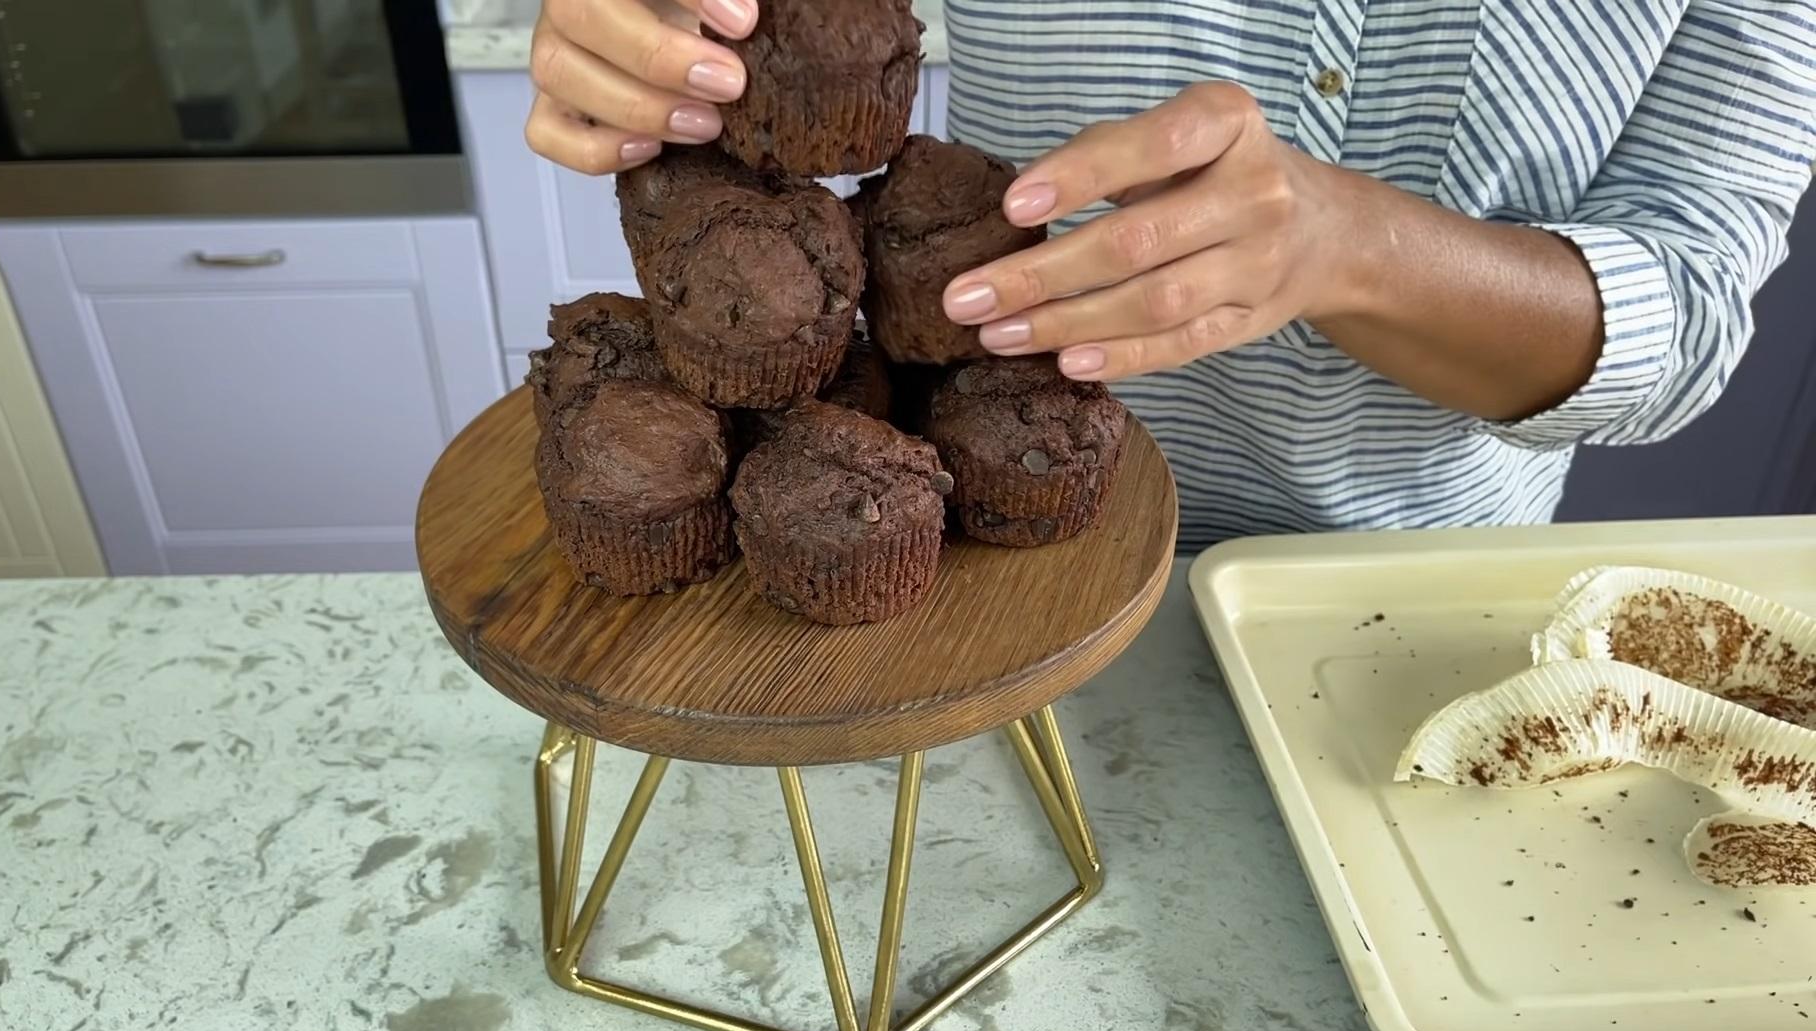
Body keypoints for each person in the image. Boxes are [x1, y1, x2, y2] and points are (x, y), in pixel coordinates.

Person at [521, 0, 1816, 548]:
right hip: (977, 564)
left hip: (1398, 610)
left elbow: (1689, 318)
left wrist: (1351, 246)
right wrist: (664, 41)